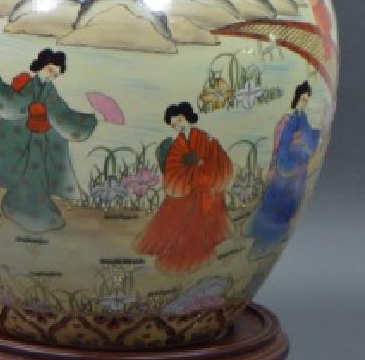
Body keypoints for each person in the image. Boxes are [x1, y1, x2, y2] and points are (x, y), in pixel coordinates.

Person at [0, 49, 98, 232]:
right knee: (23, 172)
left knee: (38, 173)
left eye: (56, 74)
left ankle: (38, 205)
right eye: (50, 70)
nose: (52, 75)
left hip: (41, 141)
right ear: (42, 66)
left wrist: (90, 120)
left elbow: (62, 113)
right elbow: (11, 100)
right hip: (23, 138)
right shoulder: (27, 83)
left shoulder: (50, 91)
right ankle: (18, 205)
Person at [137, 102, 232, 274]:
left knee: (201, 199)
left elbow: (217, 160)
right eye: (174, 124)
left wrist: (201, 168)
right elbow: (173, 168)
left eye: (179, 120)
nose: (178, 126)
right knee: (176, 205)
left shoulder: (204, 137)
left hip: (206, 184)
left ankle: (200, 244)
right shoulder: (177, 144)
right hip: (188, 184)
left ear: (187, 118)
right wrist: (189, 170)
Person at [246, 81, 321, 259]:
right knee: (276, 203)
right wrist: (289, 161)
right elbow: (284, 146)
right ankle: (264, 237)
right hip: (286, 167)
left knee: (288, 205)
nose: (305, 102)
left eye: (307, 99)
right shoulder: (290, 121)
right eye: (302, 98)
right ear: (297, 98)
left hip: (298, 168)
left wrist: (306, 139)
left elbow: (311, 136)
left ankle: (271, 237)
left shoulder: (303, 119)